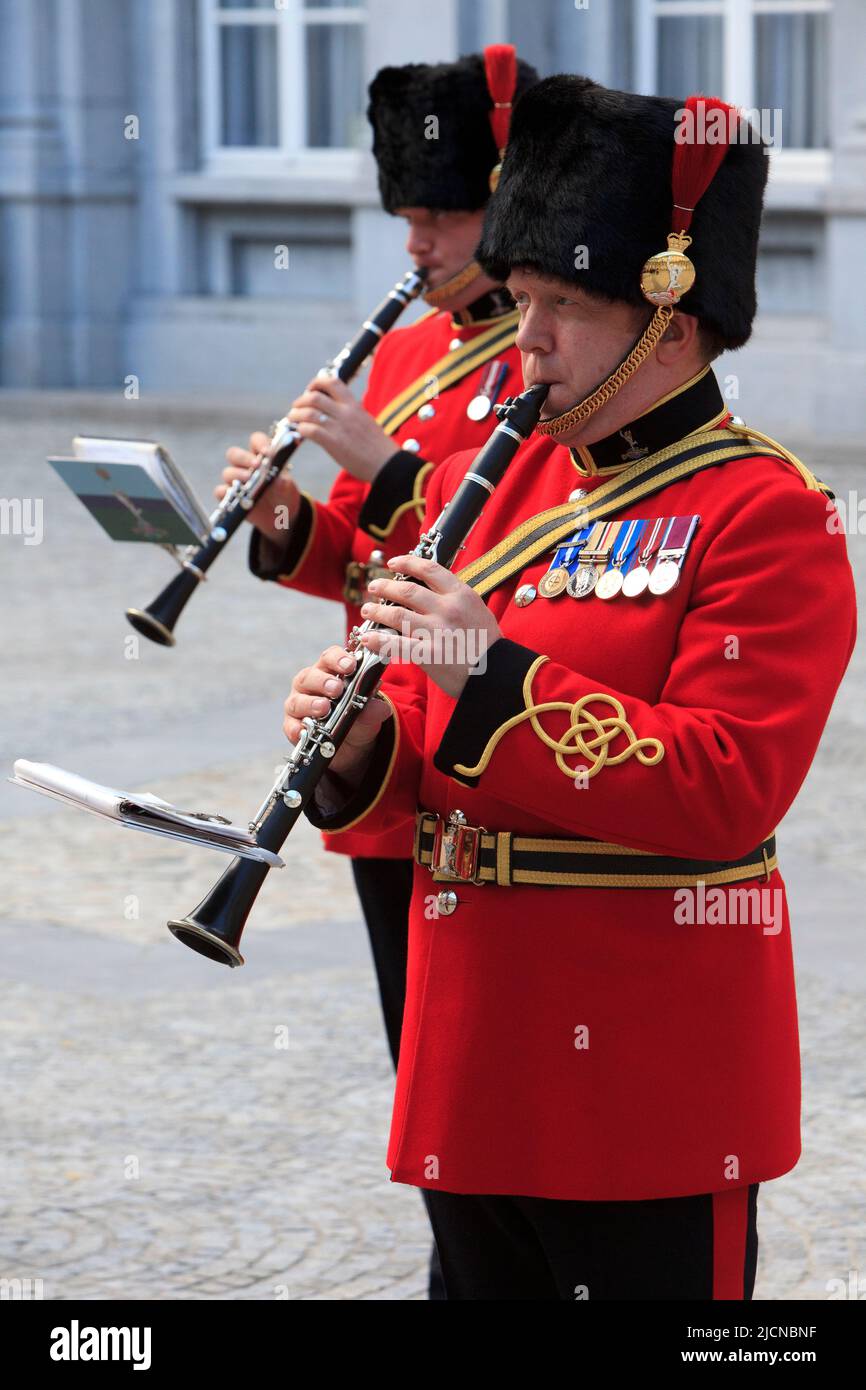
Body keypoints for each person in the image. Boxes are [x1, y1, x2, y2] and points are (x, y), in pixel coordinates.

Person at [282, 78, 857, 1300]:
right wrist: (361, 748)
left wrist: (485, 672)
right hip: (473, 1058)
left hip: (643, 1084)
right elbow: (435, 750)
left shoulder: (765, 515)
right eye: (524, 298)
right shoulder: (511, 484)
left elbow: (725, 787)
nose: (523, 337)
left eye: (560, 307)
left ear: (671, 319)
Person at [217, 48, 536, 1299]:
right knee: (422, 1053)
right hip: (373, 757)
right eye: (407, 214)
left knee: (486, 1058)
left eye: (443, 214)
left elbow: (501, 559)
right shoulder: (406, 356)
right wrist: (288, 514)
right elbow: (365, 559)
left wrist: (392, 467)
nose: (418, 240)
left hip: (470, 735)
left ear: (500, 204)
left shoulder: (544, 356)